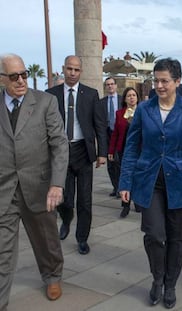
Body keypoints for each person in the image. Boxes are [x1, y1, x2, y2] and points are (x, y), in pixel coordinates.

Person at [118, 58, 182, 309]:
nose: (158, 86)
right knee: (155, 235)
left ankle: (171, 284)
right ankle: (157, 279)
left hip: (180, 181)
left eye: (164, 81)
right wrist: (125, 182)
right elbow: (131, 147)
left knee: (178, 238)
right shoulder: (144, 110)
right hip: (149, 180)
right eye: (155, 81)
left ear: (177, 82)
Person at [0, 53, 69, 307]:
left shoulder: (45, 102)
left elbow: (60, 145)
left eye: (24, 74)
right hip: (4, 189)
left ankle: (52, 274)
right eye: (14, 76)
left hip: (39, 187)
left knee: (46, 239)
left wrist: (56, 183)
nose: (21, 81)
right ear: (2, 79)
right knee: (2, 251)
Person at [46, 55, 107, 255]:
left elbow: (99, 124)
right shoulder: (51, 95)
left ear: (81, 71)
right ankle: (66, 218)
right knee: (64, 198)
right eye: (69, 69)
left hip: (83, 151)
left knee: (85, 200)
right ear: (63, 69)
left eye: (76, 70)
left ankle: (82, 238)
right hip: (60, 152)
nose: (72, 73)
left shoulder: (90, 94)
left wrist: (102, 153)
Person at [108, 87, 141, 217]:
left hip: (141, 149)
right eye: (129, 96)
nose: (132, 97)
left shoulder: (143, 111)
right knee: (125, 176)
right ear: (125, 99)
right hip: (125, 150)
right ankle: (125, 205)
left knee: (139, 176)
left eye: (133, 95)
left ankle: (139, 202)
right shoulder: (120, 113)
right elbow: (115, 134)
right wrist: (111, 150)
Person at [100, 77, 123, 197]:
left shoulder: (122, 100)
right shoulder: (102, 102)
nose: (110, 86)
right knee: (110, 163)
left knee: (119, 162)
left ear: (116, 86)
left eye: (112, 84)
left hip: (120, 134)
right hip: (108, 134)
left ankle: (120, 187)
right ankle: (115, 187)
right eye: (107, 84)